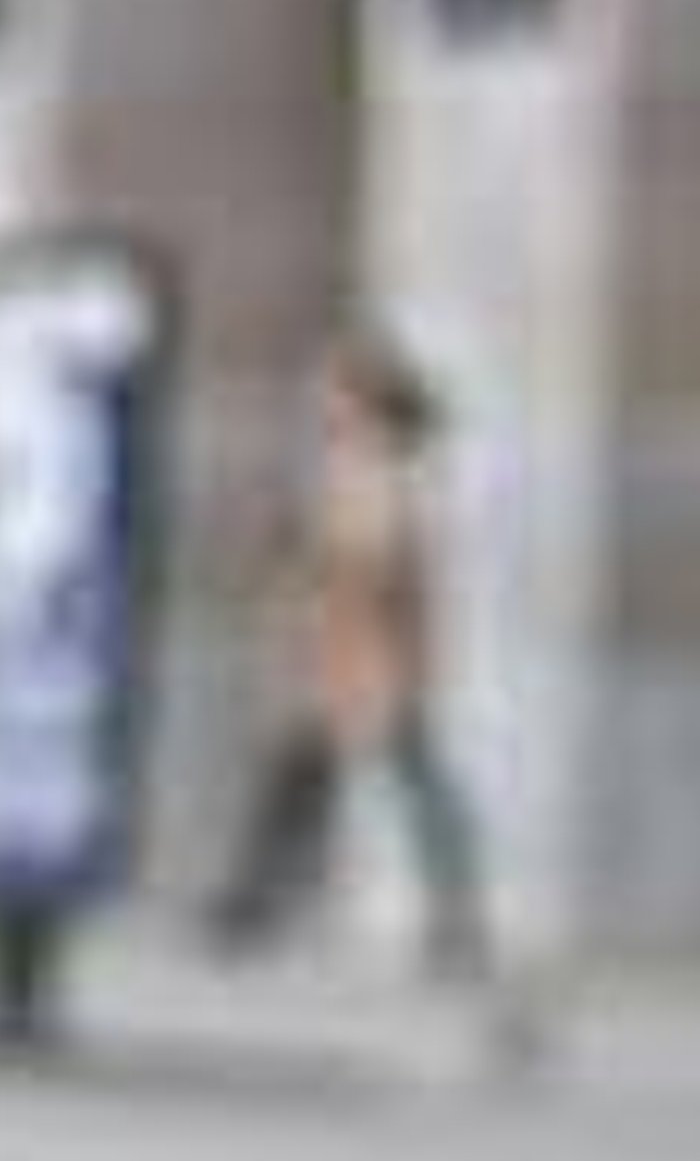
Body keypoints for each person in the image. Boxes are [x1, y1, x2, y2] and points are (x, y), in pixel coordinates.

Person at [203, 322, 494, 976]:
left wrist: (321, 595)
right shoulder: (352, 464)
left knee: (393, 782)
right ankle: (249, 908)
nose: (321, 400)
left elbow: (382, 565)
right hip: (341, 653)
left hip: (367, 654)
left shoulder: (387, 469)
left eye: (335, 389)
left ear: (365, 398)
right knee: (306, 783)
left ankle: (453, 917)